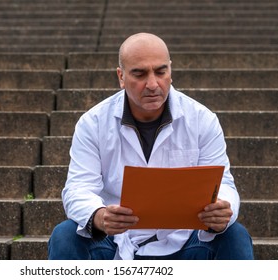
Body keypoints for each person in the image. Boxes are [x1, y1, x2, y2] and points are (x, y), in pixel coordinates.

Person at [48, 32, 254, 260]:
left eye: (160, 71)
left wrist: (223, 209)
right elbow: (78, 188)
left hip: (185, 241)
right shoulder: (93, 123)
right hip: (116, 241)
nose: (153, 84)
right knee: (65, 235)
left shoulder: (201, 119)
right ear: (121, 76)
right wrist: (99, 216)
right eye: (139, 73)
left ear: (171, 71)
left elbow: (223, 183)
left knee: (234, 234)